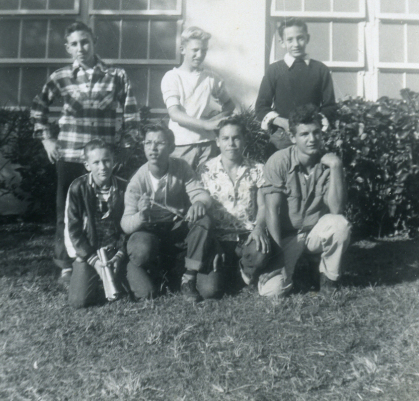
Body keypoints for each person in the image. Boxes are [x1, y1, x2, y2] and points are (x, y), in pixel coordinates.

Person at [30, 21, 138, 286]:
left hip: (104, 161)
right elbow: (38, 110)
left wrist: (125, 148)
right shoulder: (60, 77)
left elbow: (132, 116)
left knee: (109, 211)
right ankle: (66, 266)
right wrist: (47, 141)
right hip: (70, 156)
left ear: (94, 42)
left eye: (85, 41)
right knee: (66, 213)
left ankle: (110, 259)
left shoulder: (117, 76)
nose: (81, 48)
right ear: (68, 48)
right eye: (75, 44)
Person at [121, 124, 221, 302]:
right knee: (141, 252)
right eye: (148, 143)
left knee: (210, 289)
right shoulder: (137, 181)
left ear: (171, 147)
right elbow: (126, 223)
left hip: (177, 232)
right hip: (150, 234)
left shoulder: (181, 167)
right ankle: (148, 269)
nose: (153, 148)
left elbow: (200, 193)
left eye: (160, 143)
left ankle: (188, 277)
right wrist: (141, 216)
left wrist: (198, 203)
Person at [261, 104, 351, 297]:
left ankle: (328, 278)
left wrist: (336, 167)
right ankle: (305, 266)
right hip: (287, 236)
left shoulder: (328, 162)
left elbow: (336, 209)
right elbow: (272, 211)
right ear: (292, 138)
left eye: (316, 133)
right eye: (304, 134)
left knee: (339, 225)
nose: (312, 139)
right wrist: (277, 258)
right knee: (271, 292)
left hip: (313, 233)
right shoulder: (279, 161)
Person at [197, 117, 275, 292]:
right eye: (225, 138)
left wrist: (259, 228)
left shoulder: (257, 169)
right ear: (217, 142)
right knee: (209, 291)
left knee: (260, 253)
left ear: (244, 139)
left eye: (236, 138)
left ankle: (244, 270)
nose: (231, 143)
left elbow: (263, 206)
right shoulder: (205, 170)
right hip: (217, 239)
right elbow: (202, 209)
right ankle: (232, 273)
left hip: (246, 237)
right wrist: (212, 243)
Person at [255, 18, 336, 150]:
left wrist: (311, 124)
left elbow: (330, 106)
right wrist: (283, 123)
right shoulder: (275, 70)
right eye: (290, 40)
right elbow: (261, 107)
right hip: (282, 136)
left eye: (300, 38)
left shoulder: (320, 69)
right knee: (281, 168)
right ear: (282, 42)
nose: (296, 44)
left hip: (311, 136)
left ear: (307, 38)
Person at [161, 26, 235, 169]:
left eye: (204, 51)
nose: (200, 55)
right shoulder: (172, 77)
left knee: (208, 184)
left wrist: (215, 120)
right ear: (182, 49)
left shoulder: (212, 78)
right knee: (180, 186)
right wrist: (205, 124)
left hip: (207, 144)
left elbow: (230, 106)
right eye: (195, 50)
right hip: (181, 144)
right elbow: (175, 113)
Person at [64, 139, 126, 309]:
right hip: (90, 249)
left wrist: (120, 254)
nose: (103, 167)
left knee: (145, 292)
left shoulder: (124, 187)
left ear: (113, 161)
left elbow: (128, 226)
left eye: (106, 161)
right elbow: (73, 229)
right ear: (87, 165)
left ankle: (116, 276)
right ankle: (95, 274)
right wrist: (93, 260)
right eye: (96, 162)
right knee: (79, 301)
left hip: (116, 248)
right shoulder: (78, 187)